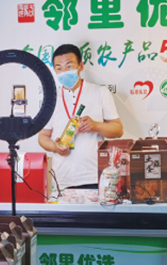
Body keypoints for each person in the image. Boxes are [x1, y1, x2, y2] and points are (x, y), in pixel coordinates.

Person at [38, 44, 124, 190]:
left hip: (95, 176)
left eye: (69, 66)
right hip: (62, 178)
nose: (64, 72)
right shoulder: (51, 99)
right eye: (59, 68)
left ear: (81, 66)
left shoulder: (100, 92)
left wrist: (96, 126)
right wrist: (55, 147)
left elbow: (118, 130)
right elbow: (43, 136)